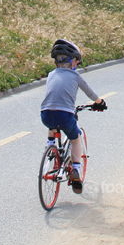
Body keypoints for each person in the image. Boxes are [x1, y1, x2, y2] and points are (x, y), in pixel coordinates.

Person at [40, 39, 106, 194]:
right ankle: (75, 169)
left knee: (52, 122)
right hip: (65, 114)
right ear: (73, 61)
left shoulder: (51, 75)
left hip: (45, 113)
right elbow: (90, 93)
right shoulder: (75, 76)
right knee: (75, 138)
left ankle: (49, 145)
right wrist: (100, 102)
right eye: (77, 61)